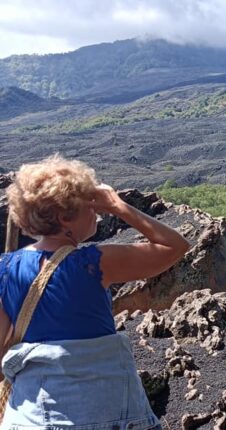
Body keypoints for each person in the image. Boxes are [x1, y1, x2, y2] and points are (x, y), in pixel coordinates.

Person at [0, 155, 190, 428]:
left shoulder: (5, 270)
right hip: (104, 410)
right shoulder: (93, 263)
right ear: (66, 217)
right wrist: (118, 206)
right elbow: (175, 246)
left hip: (31, 416)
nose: (97, 213)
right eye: (90, 206)